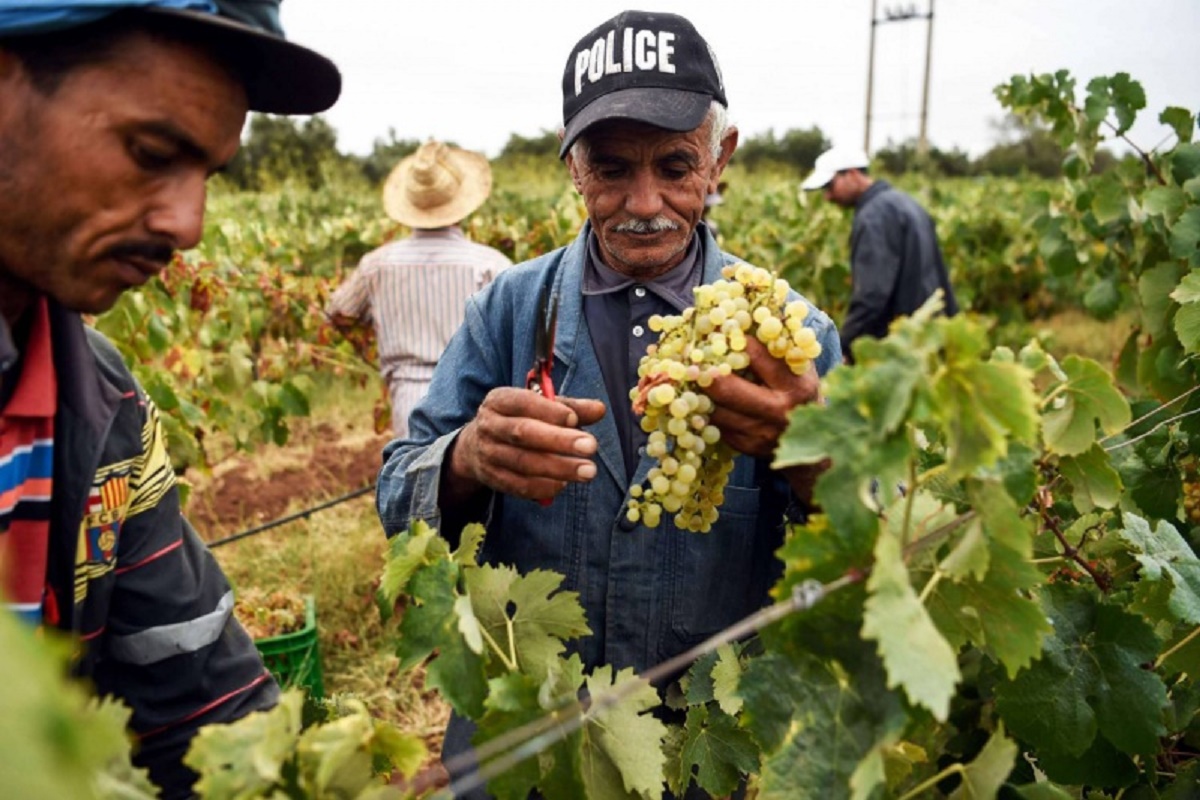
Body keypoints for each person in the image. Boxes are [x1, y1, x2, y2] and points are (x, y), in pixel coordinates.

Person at [375, 10, 841, 797]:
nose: (644, 201)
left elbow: (870, 535)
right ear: (572, 165)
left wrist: (814, 458)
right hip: (527, 741)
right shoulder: (507, 311)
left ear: (720, 156)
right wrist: (465, 461)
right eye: (612, 167)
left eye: (675, 164)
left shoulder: (794, 337)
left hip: (696, 749)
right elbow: (396, 492)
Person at [0, 2, 340, 796]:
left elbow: (197, 699)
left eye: (208, 175)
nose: (189, 225)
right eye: (151, 152)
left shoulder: (105, 407)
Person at [327, 140, 511, 437]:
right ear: (461, 203)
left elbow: (337, 312)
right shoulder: (491, 265)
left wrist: (371, 338)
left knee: (412, 479)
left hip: (407, 397)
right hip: (475, 398)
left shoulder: (376, 265)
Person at [801, 147, 959, 363]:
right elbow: (940, 276)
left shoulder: (874, 216)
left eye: (830, 185)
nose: (827, 196)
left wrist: (844, 346)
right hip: (927, 336)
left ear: (853, 174)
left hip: (898, 346)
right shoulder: (906, 203)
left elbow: (872, 295)